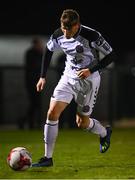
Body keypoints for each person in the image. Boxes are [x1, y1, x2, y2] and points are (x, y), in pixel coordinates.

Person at [32, 9, 116, 167]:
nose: (65, 32)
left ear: (77, 25)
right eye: (63, 28)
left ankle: (104, 133)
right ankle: (47, 158)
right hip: (68, 78)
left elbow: (111, 55)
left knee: (82, 123)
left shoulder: (92, 35)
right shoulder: (58, 34)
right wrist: (42, 76)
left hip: (89, 81)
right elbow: (48, 50)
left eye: (68, 29)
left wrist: (91, 69)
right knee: (52, 112)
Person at [24, 37, 44, 129]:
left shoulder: (37, 53)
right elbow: (36, 66)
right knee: (35, 103)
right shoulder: (30, 53)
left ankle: (32, 123)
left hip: (36, 82)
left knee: (36, 103)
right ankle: (29, 122)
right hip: (32, 83)